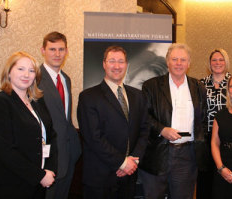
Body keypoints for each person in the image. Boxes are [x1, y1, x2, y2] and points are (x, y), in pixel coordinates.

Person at [77, 45, 149, 199]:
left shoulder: (138, 96)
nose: (117, 66)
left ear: (126, 65)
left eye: (121, 62)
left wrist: (133, 161)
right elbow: (93, 137)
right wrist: (122, 163)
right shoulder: (88, 97)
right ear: (104, 64)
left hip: (129, 176)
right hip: (100, 177)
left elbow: (144, 130)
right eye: (112, 61)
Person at [138, 43, 208, 199]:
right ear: (167, 61)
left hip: (187, 155)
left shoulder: (198, 87)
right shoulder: (151, 86)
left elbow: (202, 120)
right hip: (157, 153)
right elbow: (143, 117)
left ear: (189, 63)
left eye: (183, 60)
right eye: (174, 59)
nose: (178, 63)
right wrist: (162, 129)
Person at [0, 51, 57, 199]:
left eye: (31, 71)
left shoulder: (37, 101)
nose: (26, 75)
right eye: (21, 69)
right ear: (9, 72)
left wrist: (49, 170)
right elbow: (5, 150)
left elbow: (51, 137)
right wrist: (39, 176)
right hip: (11, 185)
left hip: (38, 183)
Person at [39, 31, 81, 199]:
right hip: (47, 157)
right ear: (43, 50)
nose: (57, 54)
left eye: (61, 49)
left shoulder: (66, 79)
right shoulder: (34, 78)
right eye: (52, 49)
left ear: (66, 51)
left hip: (69, 153)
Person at [197, 48, 231, 199]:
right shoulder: (200, 84)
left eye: (221, 59)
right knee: (205, 175)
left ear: (226, 62)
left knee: (225, 173)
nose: (218, 63)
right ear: (209, 64)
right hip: (205, 136)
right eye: (214, 60)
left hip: (228, 136)